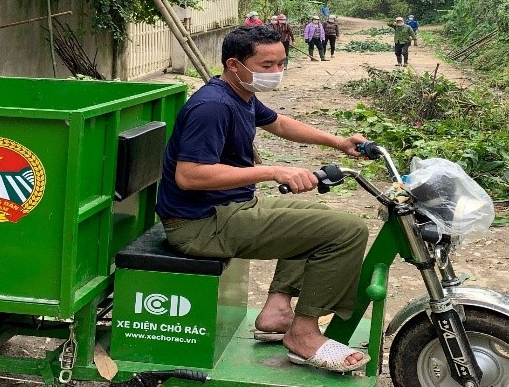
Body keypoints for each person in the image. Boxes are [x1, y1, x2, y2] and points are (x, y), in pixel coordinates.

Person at [157, 25, 370, 373]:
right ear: (233, 64)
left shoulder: (240, 94)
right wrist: (272, 171)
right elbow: (190, 175)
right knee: (347, 231)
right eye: (266, 65)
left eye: (281, 63)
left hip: (228, 208)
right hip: (199, 224)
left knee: (316, 217)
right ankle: (303, 334)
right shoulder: (212, 107)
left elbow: (280, 124)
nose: (276, 72)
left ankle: (277, 310)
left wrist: (338, 142)